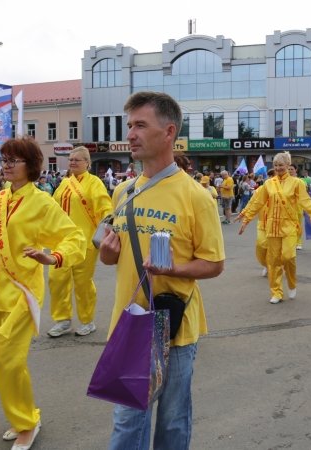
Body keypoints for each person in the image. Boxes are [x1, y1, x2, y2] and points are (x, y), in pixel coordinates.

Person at [98, 92, 225, 450]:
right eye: (130, 125)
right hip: (130, 322)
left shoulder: (196, 196)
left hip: (172, 326)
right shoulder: (122, 192)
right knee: (127, 424)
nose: (131, 134)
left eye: (141, 125)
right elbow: (113, 259)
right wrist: (108, 254)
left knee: (171, 423)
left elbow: (214, 264)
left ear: (168, 132)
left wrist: (175, 268)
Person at [0, 138, 85, 450]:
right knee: (2, 362)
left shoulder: (41, 202)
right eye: (5, 159)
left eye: (15, 160)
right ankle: (24, 415)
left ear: (31, 166)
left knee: (11, 360)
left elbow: (73, 236)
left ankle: (26, 424)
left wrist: (54, 257)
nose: (7, 165)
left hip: (23, 294)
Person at [239, 151, 311, 304]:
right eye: (275, 165)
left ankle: (292, 283)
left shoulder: (297, 183)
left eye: (281, 165)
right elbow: (258, 202)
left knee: (288, 256)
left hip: (289, 226)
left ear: (288, 165)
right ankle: (276, 292)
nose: (278, 168)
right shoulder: (268, 183)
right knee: (273, 261)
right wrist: (246, 219)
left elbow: (306, 202)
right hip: (272, 227)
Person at [47, 146, 112, 338]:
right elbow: (53, 208)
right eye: (71, 159)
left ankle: (87, 320)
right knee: (56, 279)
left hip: (85, 241)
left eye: (77, 159)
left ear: (87, 163)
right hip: (62, 241)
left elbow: (105, 208)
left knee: (83, 283)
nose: (73, 162)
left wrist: (106, 231)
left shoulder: (95, 183)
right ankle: (63, 319)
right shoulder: (64, 183)